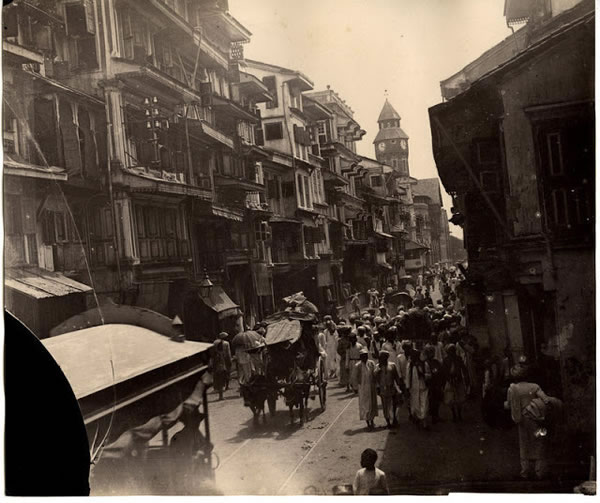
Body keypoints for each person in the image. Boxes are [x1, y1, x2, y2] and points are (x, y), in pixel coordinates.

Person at [505, 364, 564, 480]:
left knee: (524, 444)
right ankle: (539, 471)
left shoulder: (512, 389)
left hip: (522, 421)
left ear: (515, 377)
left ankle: (525, 472)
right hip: (536, 419)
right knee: (539, 442)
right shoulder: (534, 386)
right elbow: (546, 399)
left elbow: (509, 405)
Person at [374, 350, 403, 428]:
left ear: (386, 358)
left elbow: (396, 377)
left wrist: (399, 388)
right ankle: (388, 422)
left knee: (393, 405)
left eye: (382, 358)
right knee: (385, 406)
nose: (380, 359)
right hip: (383, 389)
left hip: (392, 388)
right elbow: (375, 379)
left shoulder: (392, 365)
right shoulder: (377, 367)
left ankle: (394, 420)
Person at [442, 344, 469, 422]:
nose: (452, 352)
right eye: (451, 351)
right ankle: (454, 414)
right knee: (451, 399)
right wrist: (449, 379)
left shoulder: (458, 359)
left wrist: (465, 378)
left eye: (453, 350)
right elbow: (445, 372)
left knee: (460, 399)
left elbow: (463, 368)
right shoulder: (446, 360)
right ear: (448, 352)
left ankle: (459, 414)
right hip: (450, 381)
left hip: (458, 380)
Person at [408, 349, 431, 428]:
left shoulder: (424, 364)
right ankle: (418, 419)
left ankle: (424, 422)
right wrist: (408, 388)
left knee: (424, 405)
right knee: (415, 405)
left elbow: (429, 375)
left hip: (423, 387)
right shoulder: (410, 365)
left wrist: (423, 375)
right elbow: (408, 377)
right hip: (414, 389)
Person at [355, 349, 378, 429]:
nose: (364, 358)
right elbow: (355, 377)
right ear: (360, 357)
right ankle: (368, 422)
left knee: (372, 403)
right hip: (363, 388)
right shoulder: (358, 366)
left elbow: (375, 373)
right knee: (365, 405)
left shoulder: (371, 363)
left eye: (366, 356)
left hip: (371, 387)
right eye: (362, 356)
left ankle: (372, 421)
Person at [424, 345, 443, 423]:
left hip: (437, 384)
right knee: (431, 401)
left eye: (432, 352)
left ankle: (436, 415)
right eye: (429, 352)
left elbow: (441, 372)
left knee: (437, 401)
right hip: (430, 385)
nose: (431, 354)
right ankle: (432, 417)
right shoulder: (425, 363)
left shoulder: (436, 362)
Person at [212, 334, 232, 400]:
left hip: (216, 367)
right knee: (222, 379)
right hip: (222, 367)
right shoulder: (226, 344)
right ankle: (221, 395)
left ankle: (218, 391)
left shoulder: (214, 343)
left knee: (218, 380)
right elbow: (228, 355)